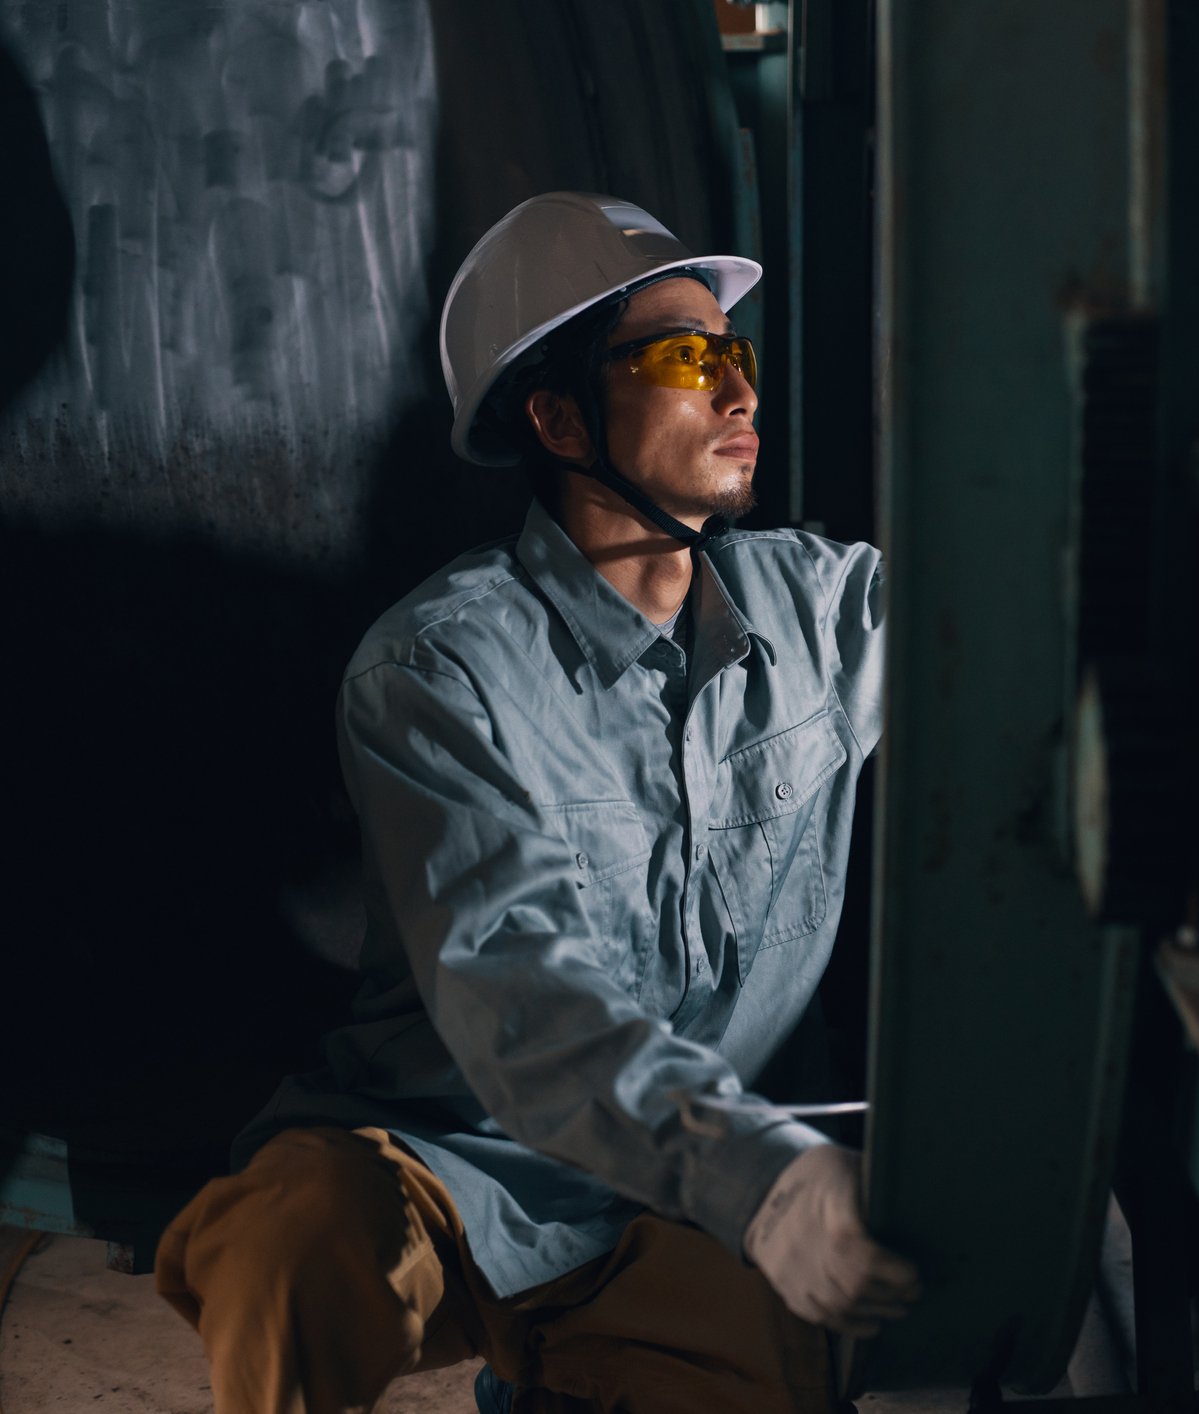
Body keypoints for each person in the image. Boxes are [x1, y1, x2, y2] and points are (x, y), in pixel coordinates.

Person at [152, 192, 917, 1414]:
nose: (738, 391)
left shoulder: (821, 615)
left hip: (668, 1203)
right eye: (685, 358)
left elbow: (1011, 619)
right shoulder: (437, 671)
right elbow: (519, 989)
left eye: (735, 352)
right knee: (291, 1238)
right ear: (559, 418)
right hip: (455, 1162)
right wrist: (760, 1179)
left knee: (785, 1364)